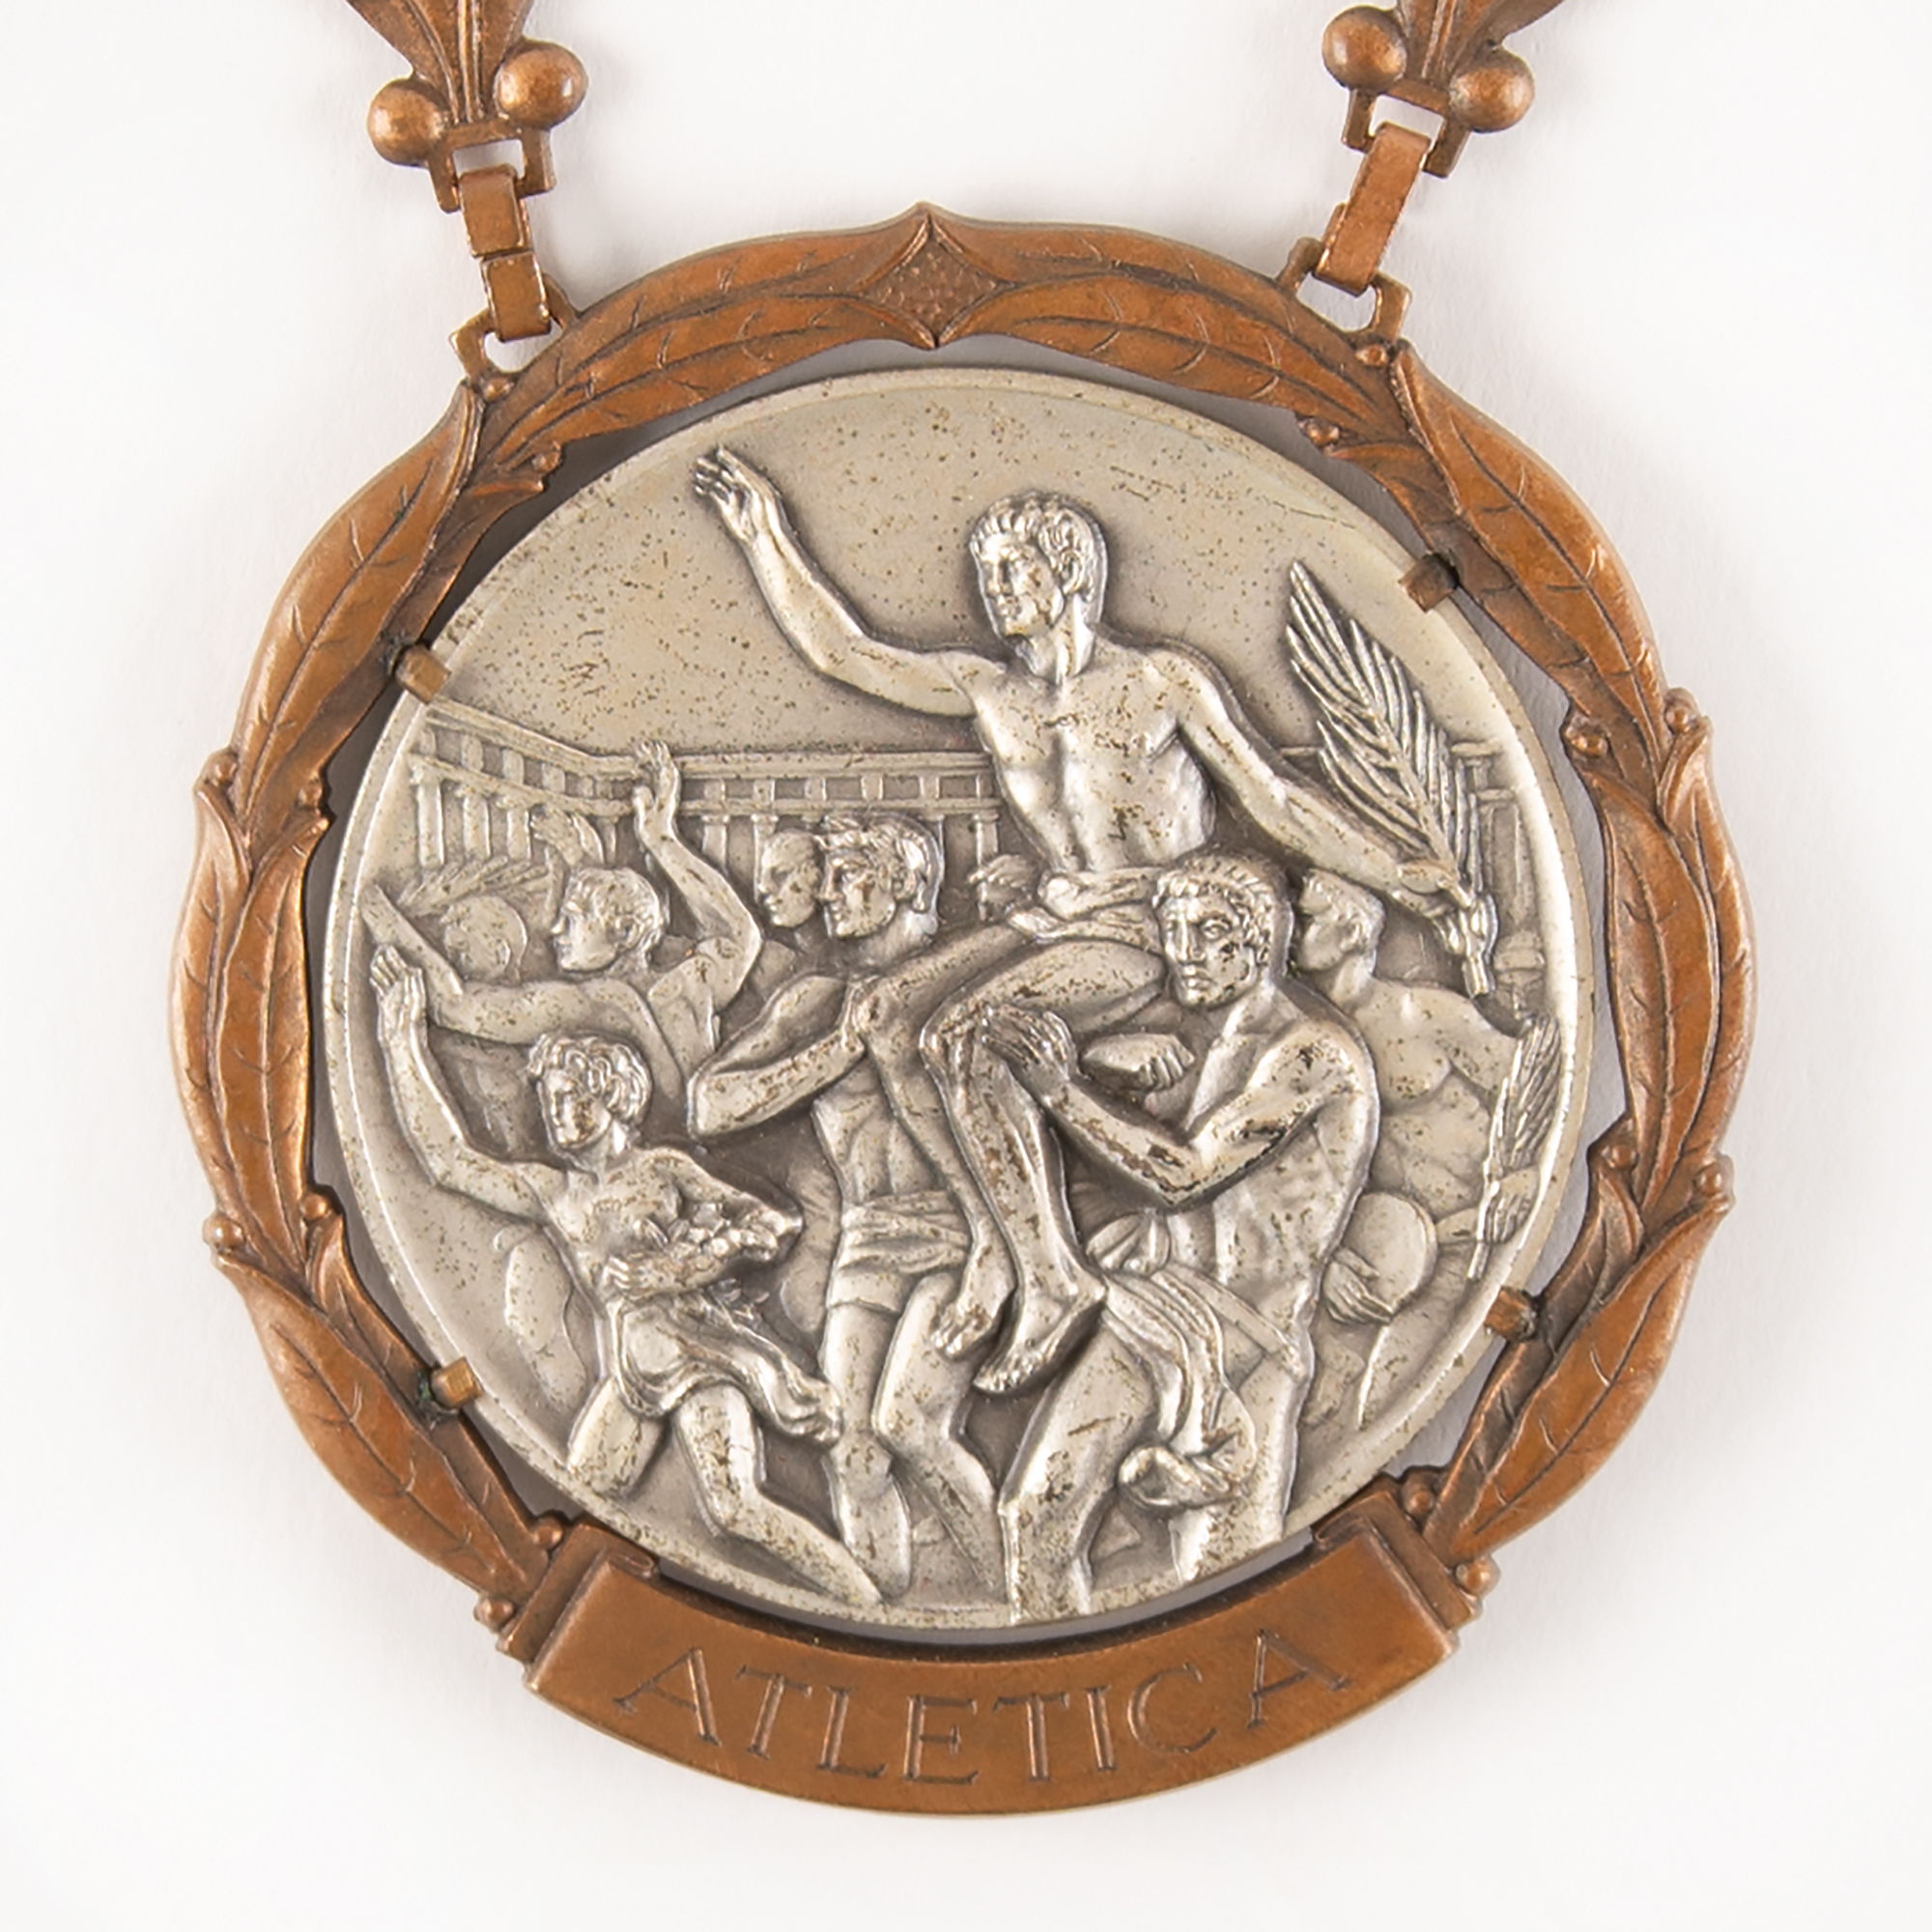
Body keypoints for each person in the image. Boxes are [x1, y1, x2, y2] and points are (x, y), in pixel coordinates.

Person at [695, 454, 1450, 1390]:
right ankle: (997, 1238)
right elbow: (843, 654)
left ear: (1071, 574)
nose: (995, 590)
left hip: (1153, 928)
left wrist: (1397, 874)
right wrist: (763, 537)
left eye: (1014, 570)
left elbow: (1274, 797)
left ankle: (1052, 1276)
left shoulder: (1162, 683)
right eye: (987, 573)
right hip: (1057, 921)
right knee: (884, 1012)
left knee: (966, 1030)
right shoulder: (993, 693)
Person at [370, 945, 881, 1606]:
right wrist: (402, 1041)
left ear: (609, 1095)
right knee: (587, 1485)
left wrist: (677, 1267)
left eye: (567, 1099)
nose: (554, 1115)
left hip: (704, 1352)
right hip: (633, 1366)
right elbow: (449, 1161)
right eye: (550, 1102)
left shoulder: (662, 1171)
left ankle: (859, 1595)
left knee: (733, 1508)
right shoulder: (558, 1194)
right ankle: (590, 1611)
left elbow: (773, 1223)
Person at [977, 855, 1377, 1620]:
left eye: (1209, 931)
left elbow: (1186, 1175)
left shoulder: (1312, 1053)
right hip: (1152, 1310)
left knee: (1224, 1580)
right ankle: (1054, 1683)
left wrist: (1063, 1087)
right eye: (1174, 929)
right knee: (1035, 1514)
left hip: (1247, 1342)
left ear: (1258, 941)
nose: (1184, 950)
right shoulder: (1196, 1039)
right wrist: (1103, 1069)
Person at [689, 814, 1002, 1597]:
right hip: (868, 1237)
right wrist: (833, 1054)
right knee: (853, 1447)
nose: (827, 893)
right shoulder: (819, 999)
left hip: (963, 1233)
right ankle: (881, 1612)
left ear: (907, 882)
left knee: (913, 1423)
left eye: (849, 875)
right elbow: (711, 1107)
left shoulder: (971, 976)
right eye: (827, 877)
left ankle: (1020, 1592)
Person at [362, 741, 759, 1134]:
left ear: (624, 932)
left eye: (573, 919)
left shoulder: (596, 1003)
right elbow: (738, 932)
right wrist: (660, 839)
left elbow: (458, 1006)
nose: (556, 930)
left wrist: (379, 914)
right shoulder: (690, 982)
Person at [1292, 869, 1548, 1428]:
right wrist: (1323, 1260)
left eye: (1309, 917)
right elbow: (1291, 1184)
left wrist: (1521, 1176)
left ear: (1351, 930)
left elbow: (1530, 1081)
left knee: (1382, 1398)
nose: (1293, 925)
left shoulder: (1423, 1014)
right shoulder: (1287, 1042)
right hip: (1372, 1267)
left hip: (1467, 1243)